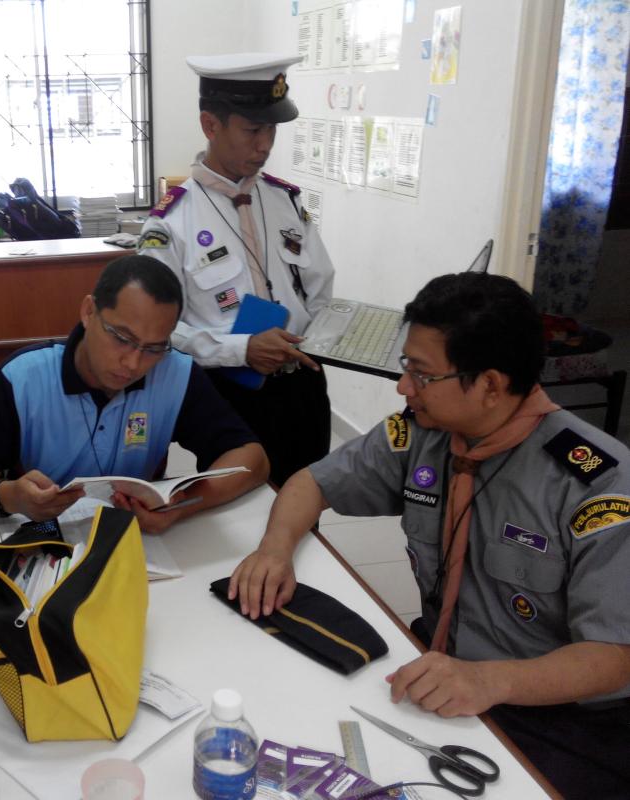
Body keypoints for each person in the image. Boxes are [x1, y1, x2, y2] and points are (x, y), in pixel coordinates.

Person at [229, 272, 630, 799]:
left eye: (421, 374)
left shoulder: (598, 484)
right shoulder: (423, 433)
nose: (403, 388)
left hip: (558, 712)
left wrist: (492, 681)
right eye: (404, 367)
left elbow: (614, 654)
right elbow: (311, 482)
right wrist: (274, 551)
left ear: (489, 384)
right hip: (441, 668)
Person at [0, 253, 269, 534]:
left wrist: (181, 506)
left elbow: (252, 459)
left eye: (154, 347)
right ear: (88, 312)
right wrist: (12, 496)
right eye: (122, 338)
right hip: (41, 540)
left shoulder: (175, 374)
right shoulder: (23, 377)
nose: (133, 362)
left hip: (135, 541)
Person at [138, 53, 336, 487]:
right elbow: (157, 329)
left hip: (302, 386)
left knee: (305, 508)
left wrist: (332, 335)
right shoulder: (170, 223)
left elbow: (320, 289)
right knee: (242, 517)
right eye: (252, 130)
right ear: (211, 125)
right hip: (229, 393)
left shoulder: (286, 201)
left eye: (271, 130)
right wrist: (241, 349)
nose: (265, 144)